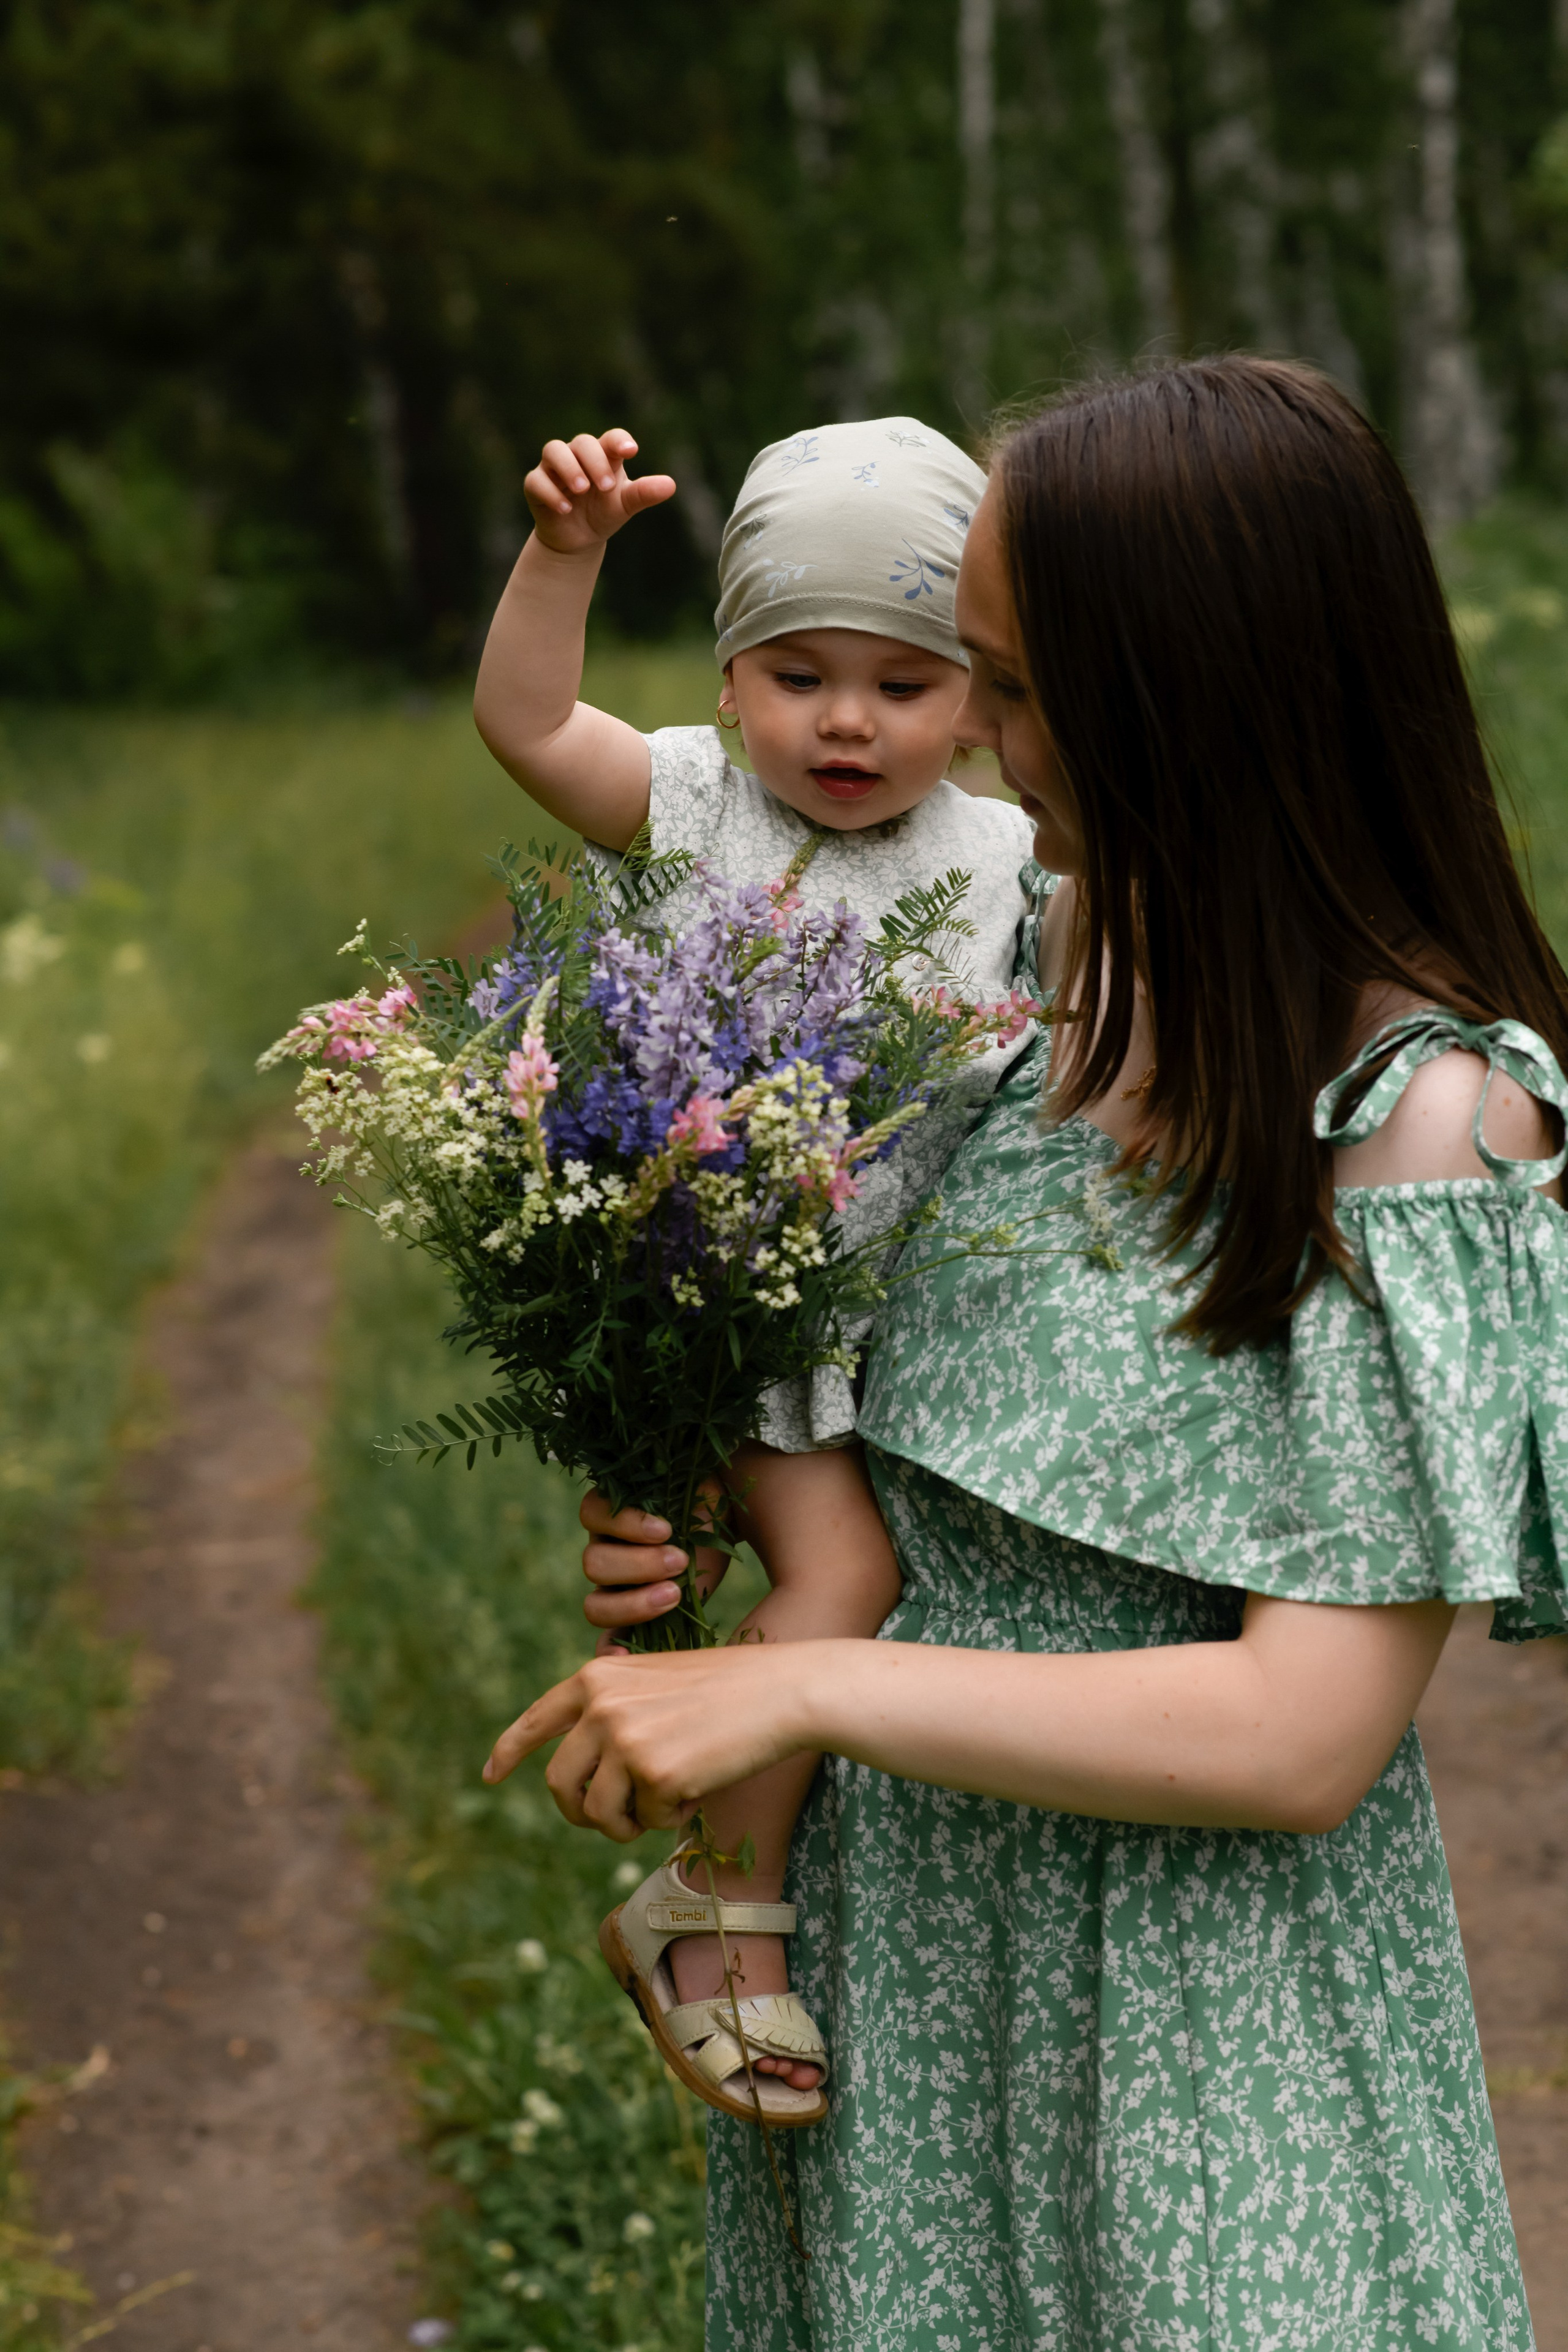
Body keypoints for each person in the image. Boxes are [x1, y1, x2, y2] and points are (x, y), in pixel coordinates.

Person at [483, 356, 1566, 2350]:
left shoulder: (1428, 1119)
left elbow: (1303, 1738)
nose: (971, 743)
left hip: (1200, 2046)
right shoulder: (1016, 978)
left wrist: (801, 1677)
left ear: (1191, 707)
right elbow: (900, 1414)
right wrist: (692, 1514)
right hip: (905, 1980)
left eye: (1008, 686)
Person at [472, 417, 1039, 2122]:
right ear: (728, 681)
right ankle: (717, 1908)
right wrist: (567, 556)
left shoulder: (1008, 855)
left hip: (905, 1321)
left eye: (906, 680)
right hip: (743, 1311)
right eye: (799, 672)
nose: (850, 720)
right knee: (844, 1578)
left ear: (982, 696)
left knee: (869, 1581)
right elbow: (523, 723)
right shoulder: (691, 803)